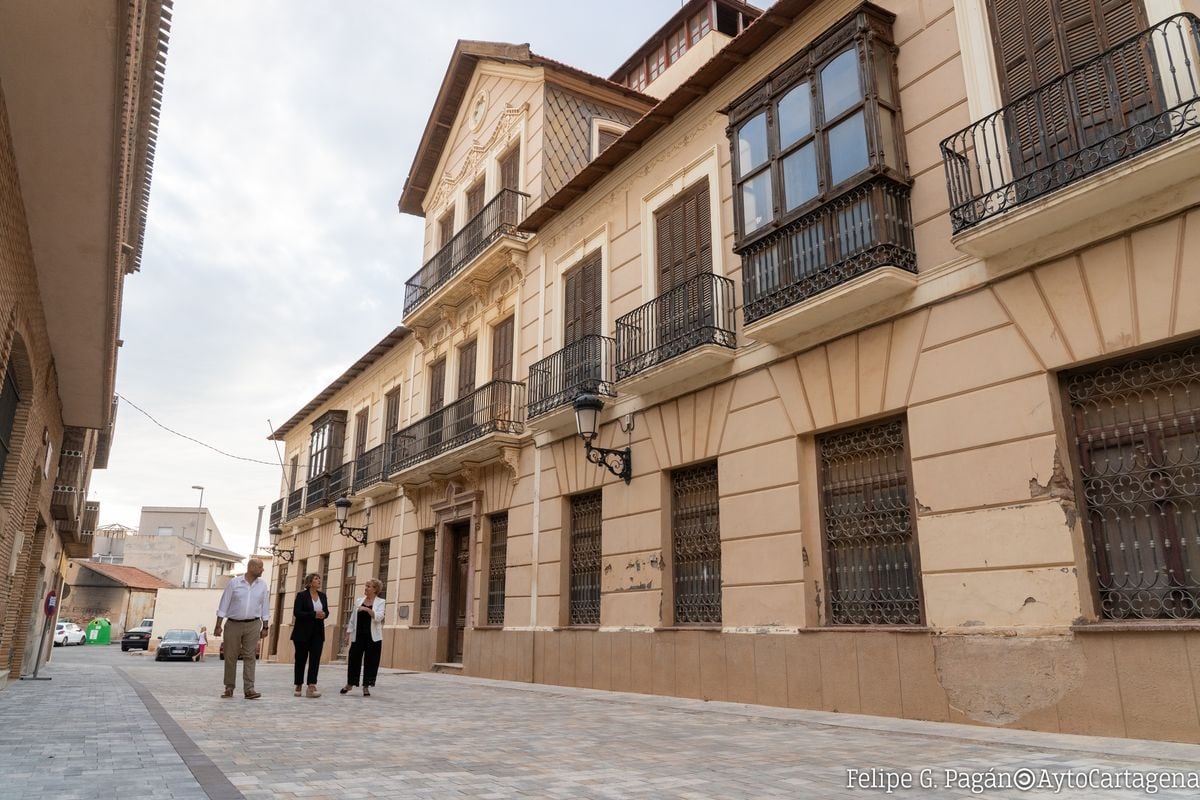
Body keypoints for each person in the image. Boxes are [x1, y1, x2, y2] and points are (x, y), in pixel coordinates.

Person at [213, 557, 270, 699]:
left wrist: (265, 627)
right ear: (251, 568)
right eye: (260, 567)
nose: (263, 570)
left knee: (250, 656)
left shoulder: (262, 585)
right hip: (233, 623)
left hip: (253, 624)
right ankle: (229, 687)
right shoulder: (234, 583)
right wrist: (218, 625)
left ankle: (249, 689)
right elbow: (224, 604)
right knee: (230, 656)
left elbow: (265, 608)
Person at [340, 578, 385, 697]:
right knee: (353, 659)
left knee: (371, 662)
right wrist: (347, 634)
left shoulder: (380, 602)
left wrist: (366, 609)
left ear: (375, 589)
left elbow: (379, 617)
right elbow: (352, 619)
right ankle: (350, 684)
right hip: (358, 635)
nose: (366, 588)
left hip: (373, 637)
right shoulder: (359, 601)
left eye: (368, 586)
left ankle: (366, 686)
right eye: (366, 586)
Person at [291, 573, 329, 698]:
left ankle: (312, 685)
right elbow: (297, 612)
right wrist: (314, 614)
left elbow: (326, 611)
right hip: (302, 633)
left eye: (319, 579)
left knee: (315, 659)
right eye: (316, 579)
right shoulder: (301, 595)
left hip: (318, 632)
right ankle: (298, 684)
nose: (319, 580)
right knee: (301, 659)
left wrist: (324, 614)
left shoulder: (322, 596)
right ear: (309, 582)